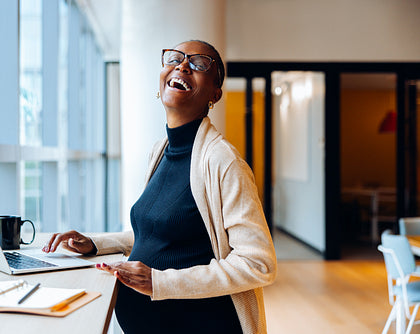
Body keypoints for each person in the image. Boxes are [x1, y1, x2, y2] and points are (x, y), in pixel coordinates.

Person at [43, 40, 277, 334]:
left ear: (214, 94)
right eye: (175, 58)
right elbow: (162, 234)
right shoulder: (161, 150)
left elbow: (258, 263)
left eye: (199, 63)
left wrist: (159, 281)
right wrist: (94, 244)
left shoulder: (223, 161)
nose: (182, 65)